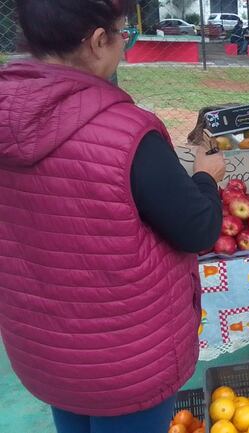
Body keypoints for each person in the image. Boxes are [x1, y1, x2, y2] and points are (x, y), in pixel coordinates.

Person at [0, 1, 225, 432]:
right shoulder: (125, 132)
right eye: (125, 35)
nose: (124, 44)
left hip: (45, 349)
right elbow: (197, 227)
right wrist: (205, 178)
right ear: (98, 41)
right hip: (126, 359)